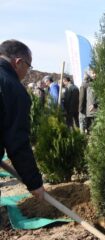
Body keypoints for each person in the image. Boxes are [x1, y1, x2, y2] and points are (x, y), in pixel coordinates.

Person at [0, 40, 45, 202]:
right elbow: (17, 141)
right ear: (18, 62)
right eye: (28, 66)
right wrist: (34, 183)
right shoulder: (12, 88)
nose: (27, 71)